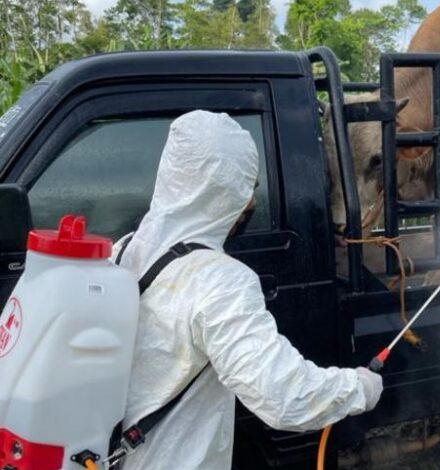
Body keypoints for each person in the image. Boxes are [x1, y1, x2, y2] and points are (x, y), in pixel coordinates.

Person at [115, 110, 383, 469]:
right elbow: (284, 396)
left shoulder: (124, 249)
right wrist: (360, 388)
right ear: (224, 191)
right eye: (249, 187)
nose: (253, 203)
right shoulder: (217, 280)